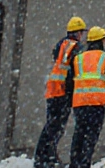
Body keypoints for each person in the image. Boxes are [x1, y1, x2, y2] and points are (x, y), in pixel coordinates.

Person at [34, 16, 87, 168]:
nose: (82, 36)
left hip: (54, 89)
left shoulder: (62, 44)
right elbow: (74, 70)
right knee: (56, 126)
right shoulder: (75, 47)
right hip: (62, 91)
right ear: (77, 32)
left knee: (52, 125)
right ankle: (45, 158)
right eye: (81, 32)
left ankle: (46, 156)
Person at [68, 26, 105, 168]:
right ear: (102, 40)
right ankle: (84, 164)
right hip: (96, 104)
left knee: (79, 134)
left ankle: (75, 163)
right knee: (90, 138)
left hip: (79, 104)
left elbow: (69, 81)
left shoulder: (78, 59)